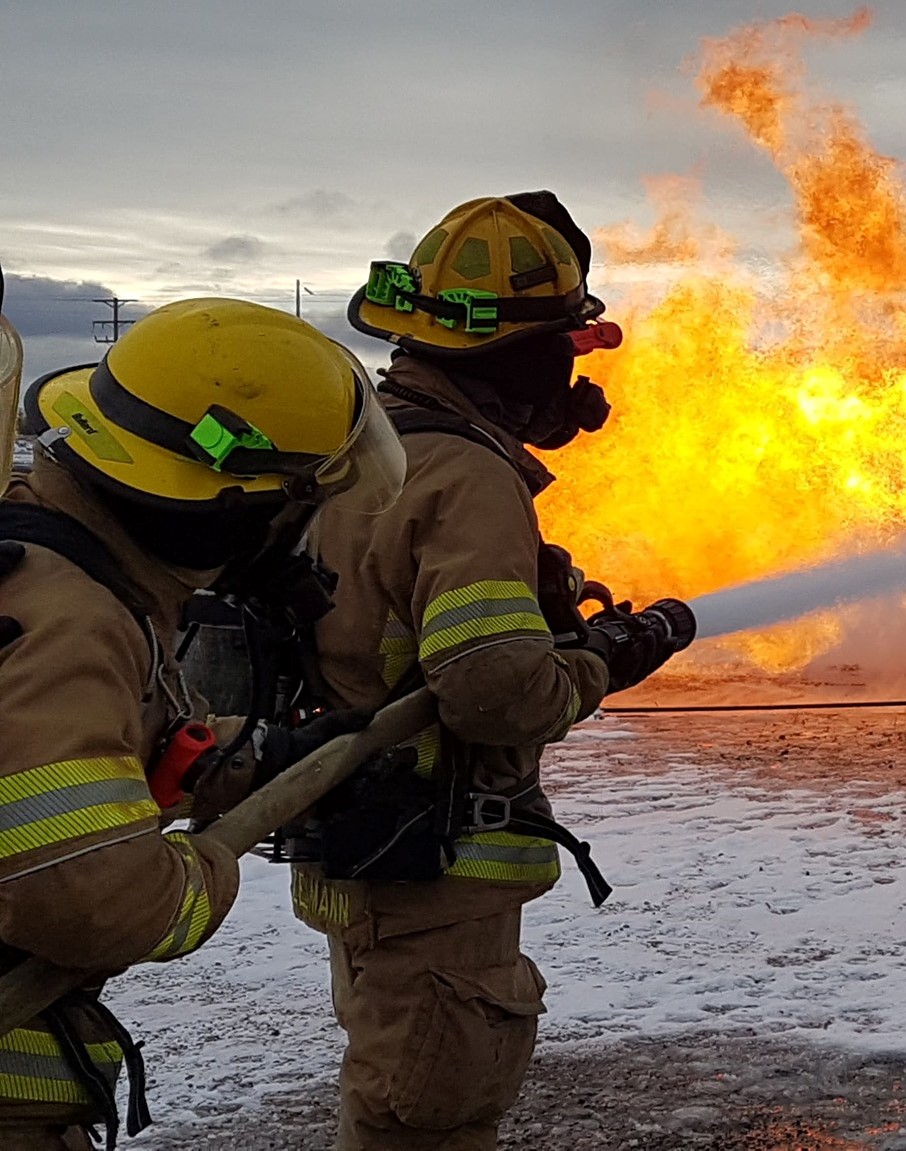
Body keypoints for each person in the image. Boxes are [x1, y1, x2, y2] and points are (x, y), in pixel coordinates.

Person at [291, 192, 689, 1150]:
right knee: (429, 1118)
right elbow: (497, 691)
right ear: (516, 354)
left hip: (370, 855)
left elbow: (388, 614)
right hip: (436, 875)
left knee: (392, 1099)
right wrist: (601, 658)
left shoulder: (365, 449)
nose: (570, 371)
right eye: (562, 344)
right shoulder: (469, 477)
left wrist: (544, 595)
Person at [0, 298, 404, 1150]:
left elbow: (86, 757)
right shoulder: (76, 616)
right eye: (301, 511)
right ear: (235, 509)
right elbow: (88, 897)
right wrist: (205, 868)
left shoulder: (56, 564)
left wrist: (267, 759)